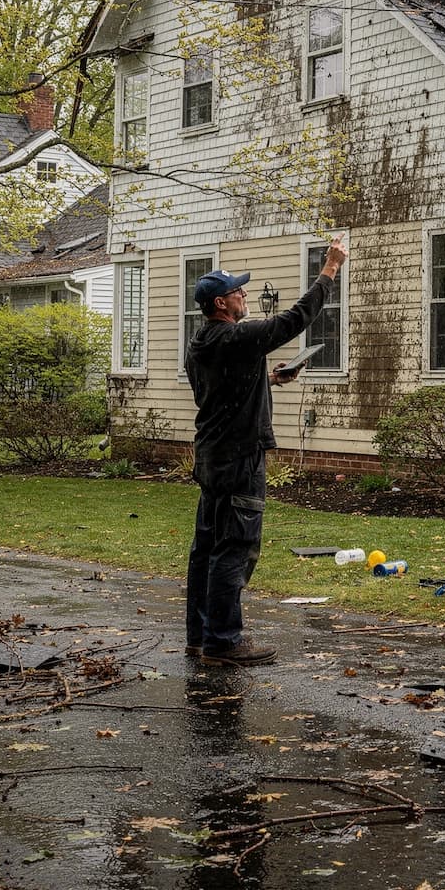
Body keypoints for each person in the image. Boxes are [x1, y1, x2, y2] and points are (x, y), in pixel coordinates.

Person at [185, 236, 348, 667]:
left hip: (210, 455)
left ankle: (200, 637)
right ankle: (224, 641)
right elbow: (295, 319)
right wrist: (329, 269)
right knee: (234, 547)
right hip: (240, 457)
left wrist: (271, 381)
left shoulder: (200, 343)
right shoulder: (235, 337)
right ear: (222, 304)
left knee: (206, 547)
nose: (244, 296)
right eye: (238, 291)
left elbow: (224, 392)